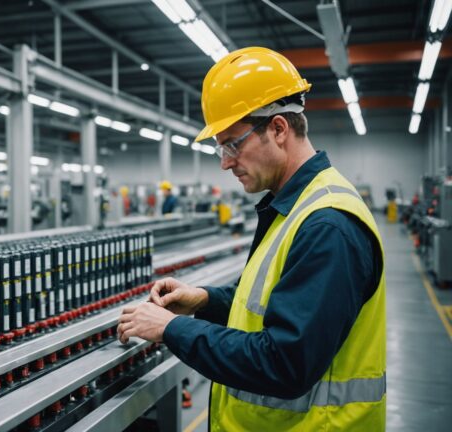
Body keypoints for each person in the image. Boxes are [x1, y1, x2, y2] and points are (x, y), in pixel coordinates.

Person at [117, 47, 386, 430]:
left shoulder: (327, 225)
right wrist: (206, 300)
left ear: (278, 129)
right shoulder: (292, 208)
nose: (225, 162)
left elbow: (284, 363)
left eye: (232, 144)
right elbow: (277, 306)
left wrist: (169, 328)